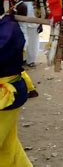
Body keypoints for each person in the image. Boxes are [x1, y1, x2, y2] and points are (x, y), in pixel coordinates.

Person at [0, 9, 33, 167]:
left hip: (7, 94)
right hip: (10, 90)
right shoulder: (7, 24)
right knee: (8, 143)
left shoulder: (8, 29)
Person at [17, 0, 41, 68]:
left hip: (34, 22)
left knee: (33, 42)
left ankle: (31, 61)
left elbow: (42, 9)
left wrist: (40, 24)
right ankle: (22, 59)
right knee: (22, 41)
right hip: (22, 21)